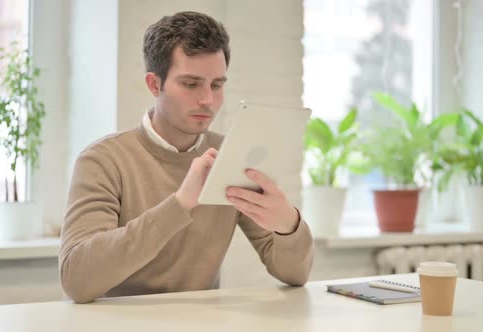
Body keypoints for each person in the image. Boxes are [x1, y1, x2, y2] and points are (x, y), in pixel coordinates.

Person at [59, 11, 314, 304]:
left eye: (217, 85)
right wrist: (180, 204)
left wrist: (288, 224)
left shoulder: (230, 155)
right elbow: (76, 280)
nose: (208, 100)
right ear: (155, 85)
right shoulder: (102, 160)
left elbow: (296, 275)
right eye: (191, 84)